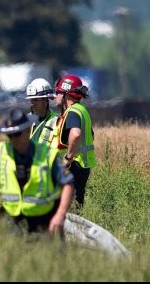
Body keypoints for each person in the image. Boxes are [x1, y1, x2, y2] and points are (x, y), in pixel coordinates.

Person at [0, 108, 74, 236]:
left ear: (28, 130)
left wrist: (60, 214)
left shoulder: (47, 154)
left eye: (17, 134)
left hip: (45, 221)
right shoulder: (3, 154)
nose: (14, 139)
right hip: (14, 222)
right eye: (10, 135)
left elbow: (67, 185)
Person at [53, 74, 96, 208]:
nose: (55, 96)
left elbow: (76, 134)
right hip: (83, 166)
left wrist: (68, 157)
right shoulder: (82, 110)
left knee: (66, 206)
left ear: (66, 94)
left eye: (58, 92)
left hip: (74, 166)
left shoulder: (72, 112)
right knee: (77, 204)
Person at [25, 77, 60, 145]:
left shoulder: (57, 121)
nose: (32, 103)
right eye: (31, 100)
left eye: (35, 100)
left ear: (45, 100)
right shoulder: (26, 119)